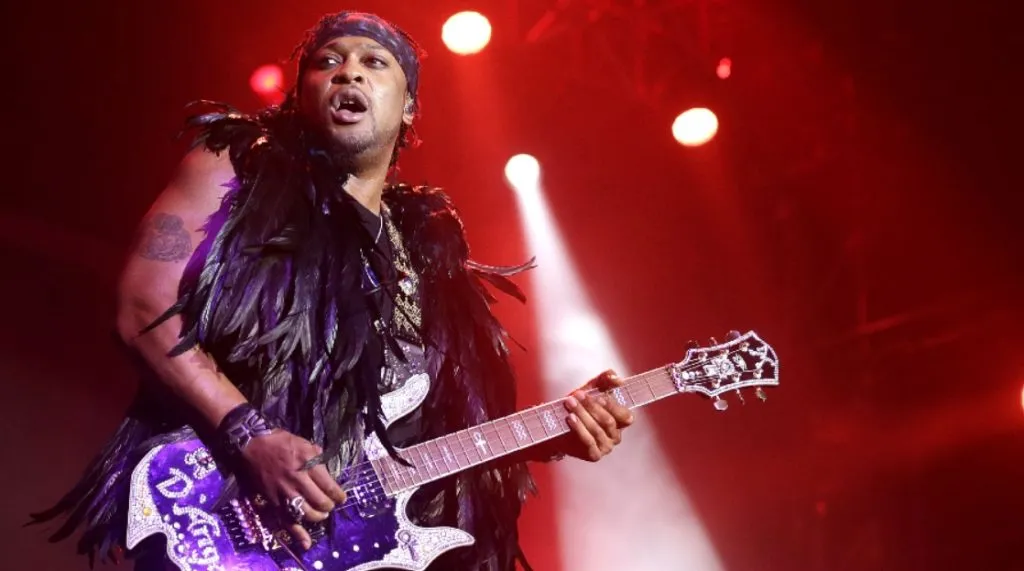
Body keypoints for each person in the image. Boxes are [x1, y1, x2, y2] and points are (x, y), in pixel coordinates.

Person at [31, 11, 633, 571]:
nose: (347, 70)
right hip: (222, 519)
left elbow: (420, 435)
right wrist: (253, 436)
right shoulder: (235, 168)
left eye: (374, 62)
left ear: (409, 109)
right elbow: (142, 309)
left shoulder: (428, 259)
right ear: (300, 95)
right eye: (327, 61)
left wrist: (551, 434)